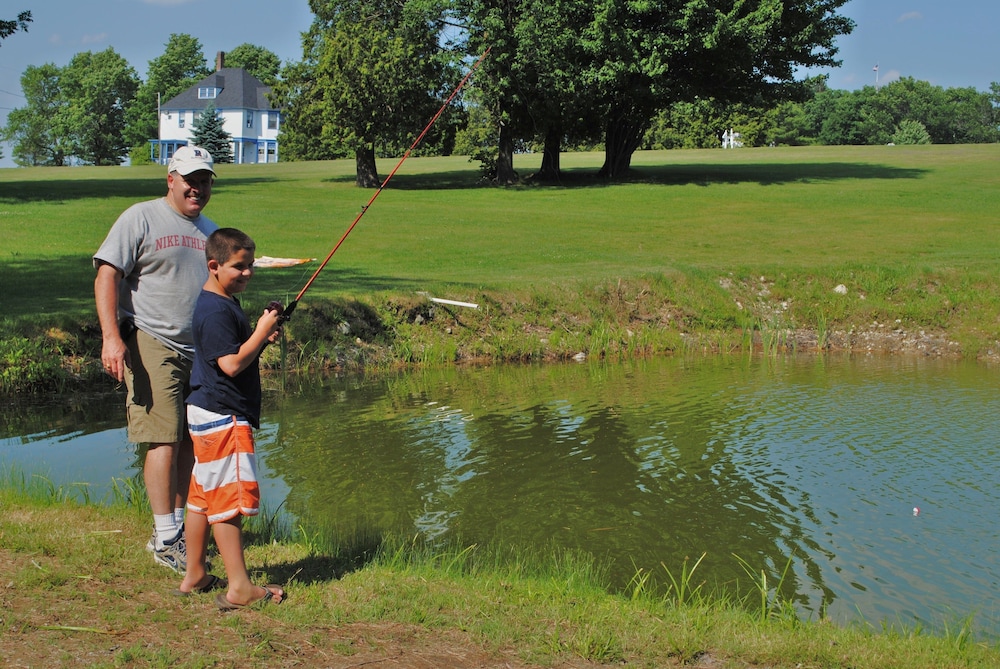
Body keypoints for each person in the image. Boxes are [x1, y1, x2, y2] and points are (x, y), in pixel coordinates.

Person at [93, 145, 219, 573]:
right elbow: (107, 273)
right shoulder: (140, 217)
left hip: (198, 348)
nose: (197, 188)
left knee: (188, 440)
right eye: (190, 180)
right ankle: (166, 538)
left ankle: (174, 529)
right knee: (163, 435)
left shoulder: (211, 231)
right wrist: (112, 338)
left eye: (204, 181)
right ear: (171, 179)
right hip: (151, 339)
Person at [178, 227, 285, 608]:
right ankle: (240, 588)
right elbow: (233, 363)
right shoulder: (215, 311)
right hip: (223, 417)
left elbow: (235, 350)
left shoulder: (219, 301)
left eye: (251, 265)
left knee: (202, 498)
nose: (248, 273)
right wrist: (259, 332)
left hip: (204, 411)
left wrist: (259, 336)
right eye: (239, 267)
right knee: (227, 500)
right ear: (214, 265)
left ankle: (195, 573)